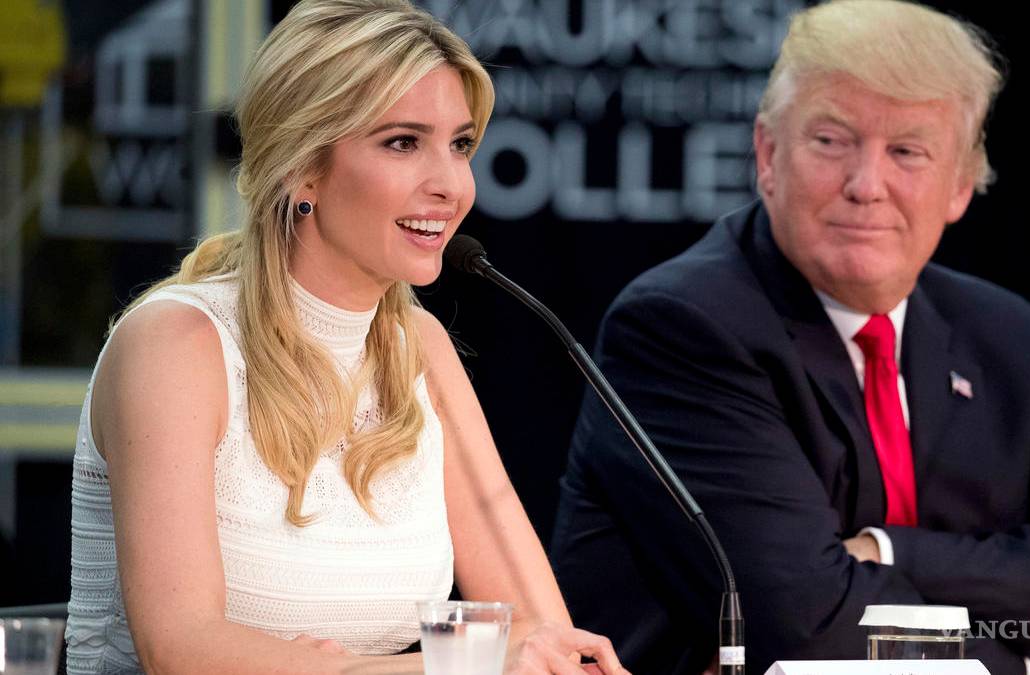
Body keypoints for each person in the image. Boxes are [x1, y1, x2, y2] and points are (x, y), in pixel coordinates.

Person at [550, 1, 1030, 674]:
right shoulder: (682, 326)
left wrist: (886, 552)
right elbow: (804, 631)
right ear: (768, 154)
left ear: (960, 185)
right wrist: (1026, 659)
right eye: (831, 141)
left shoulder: (1005, 335)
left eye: (907, 152)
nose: (866, 186)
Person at [64, 1, 628, 673]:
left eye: (459, 145)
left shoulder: (419, 347)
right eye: (403, 142)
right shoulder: (176, 343)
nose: (450, 185)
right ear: (302, 165)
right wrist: (453, 666)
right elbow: (182, 651)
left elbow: (544, 637)